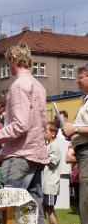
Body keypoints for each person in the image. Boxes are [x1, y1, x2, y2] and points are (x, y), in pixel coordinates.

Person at [0, 43, 49, 224]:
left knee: (8, 208)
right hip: (36, 155)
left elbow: (20, 125)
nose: (8, 66)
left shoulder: (18, 86)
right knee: (34, 210)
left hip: (19, 155)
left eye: (8, 62)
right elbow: (41, 124)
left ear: (14, 60)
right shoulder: (39, 86)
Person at [62, 64, 88, 224]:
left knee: (86, 199)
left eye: (80, 77)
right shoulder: (84, 100)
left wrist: (75, 128)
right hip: (82, 152)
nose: (77, 81)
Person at [42, 121, 61, 224]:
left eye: (46, 131)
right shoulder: (47, 146)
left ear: (53, 133)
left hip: (50, 185)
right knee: (45, 209)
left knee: (49, 209)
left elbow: (52, 163)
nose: (43, 133)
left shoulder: (55, 147)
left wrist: (40, 155)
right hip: (45, 185)